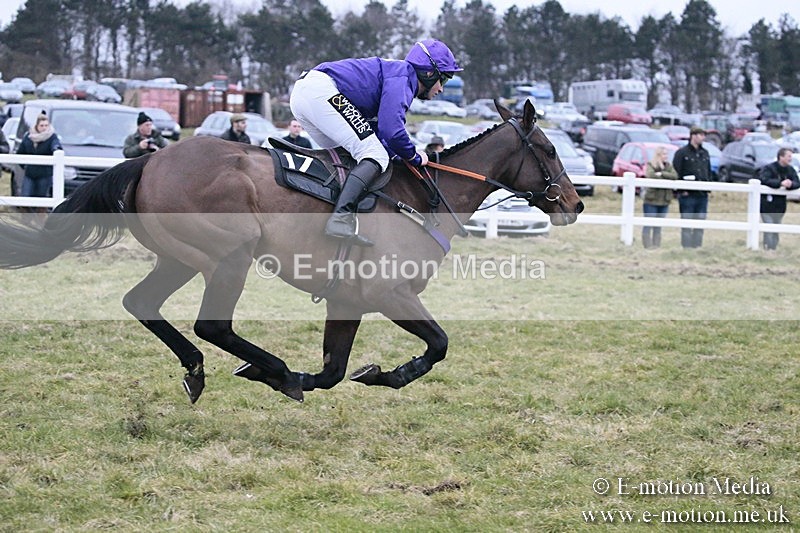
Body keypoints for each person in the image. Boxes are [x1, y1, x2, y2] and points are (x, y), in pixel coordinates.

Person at [289, 38, 462, 246]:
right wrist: (413, 155)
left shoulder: (399, 75)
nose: (441, 88)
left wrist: (398, 154)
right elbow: (392, 131)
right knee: (374, 155)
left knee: (348, 158)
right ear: (429, 72)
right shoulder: (403, 80)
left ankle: (324, 213)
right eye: (443, 80)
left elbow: (381, 133)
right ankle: (340, 219)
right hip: (321, 91)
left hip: (307, 93)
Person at [672, 126, 712, 248]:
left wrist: (708, 186)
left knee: (700, 221)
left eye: (704, 135)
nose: (703, 137)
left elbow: (708, 171)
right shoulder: (682, 153)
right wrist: (681, 190)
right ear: (693, 136)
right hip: (687, 194)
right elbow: (676, 172)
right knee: (687, 222)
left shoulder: (704, 153)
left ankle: (697, 246)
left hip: (702, 194)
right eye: (701, 135)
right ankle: (687, 247)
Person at [758, 147, 800, 250]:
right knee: (769, 226)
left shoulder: (790, 170)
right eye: (788, 156)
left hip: (780, 206)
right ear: (781, 157)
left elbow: (797, 182)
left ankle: (774, 247)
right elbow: (764, 180)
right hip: (767, 204)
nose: (790, 158)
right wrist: (779, 183)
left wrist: (790, 184)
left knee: (777, 226)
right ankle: (768, 247)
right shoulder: (769, 168)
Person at [15, 111, 63, 198]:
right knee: (25, 196)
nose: (44, 128)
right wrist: (25, 166)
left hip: (44, 174)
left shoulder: (52, 137)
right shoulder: (29, 136)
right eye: (42, 125)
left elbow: (56, 146)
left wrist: (56, 149)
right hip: (29, 173)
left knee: (42, 197)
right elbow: (21, 152)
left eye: (46, 125)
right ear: (37, 126)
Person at [642, 146, 678, 248]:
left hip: (664, 200)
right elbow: (650, 175)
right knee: (648, 223)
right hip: (652, 200)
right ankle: (647, 245)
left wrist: (662, 173)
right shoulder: (651, 165)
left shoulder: (669, 166)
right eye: (664, 154)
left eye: (666, 154)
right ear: (658, 155)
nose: (666, 156)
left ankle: (657, 245)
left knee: (659, 225)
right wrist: (661, 175)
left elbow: (674, 176)